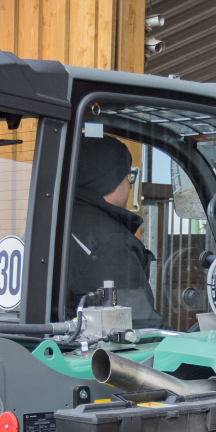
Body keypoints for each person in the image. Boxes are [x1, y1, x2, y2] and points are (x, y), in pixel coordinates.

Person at [66, 134, 161, 326]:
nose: (129, 184)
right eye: (127, 176)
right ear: (109, 182)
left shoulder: (57, 223)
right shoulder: (110, 242)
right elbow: (141, 326)